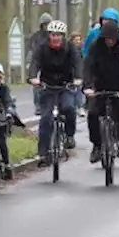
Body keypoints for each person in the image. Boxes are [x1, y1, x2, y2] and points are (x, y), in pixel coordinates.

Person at [82, 20, 119, 162]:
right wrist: (88, 86)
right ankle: (97, 146)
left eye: (112, 39)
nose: (109, 41)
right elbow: (88, 66)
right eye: (107, 39)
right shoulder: (96, 47)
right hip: (100, 86)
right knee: (93, 113)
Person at [27, 19, 79, 167]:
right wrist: (32, 77)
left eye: (59, 35)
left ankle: (69, 135)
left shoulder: (69, 49)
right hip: (47, 86)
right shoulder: (42, 48)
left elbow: (77, 63)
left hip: (65, 85)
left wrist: (79, 78)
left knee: (69, 108)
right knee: (46, 118)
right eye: (53, 35)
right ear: (49, 35)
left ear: (63, 36)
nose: (55, 38)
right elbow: (35, 63)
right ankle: (43, 153)